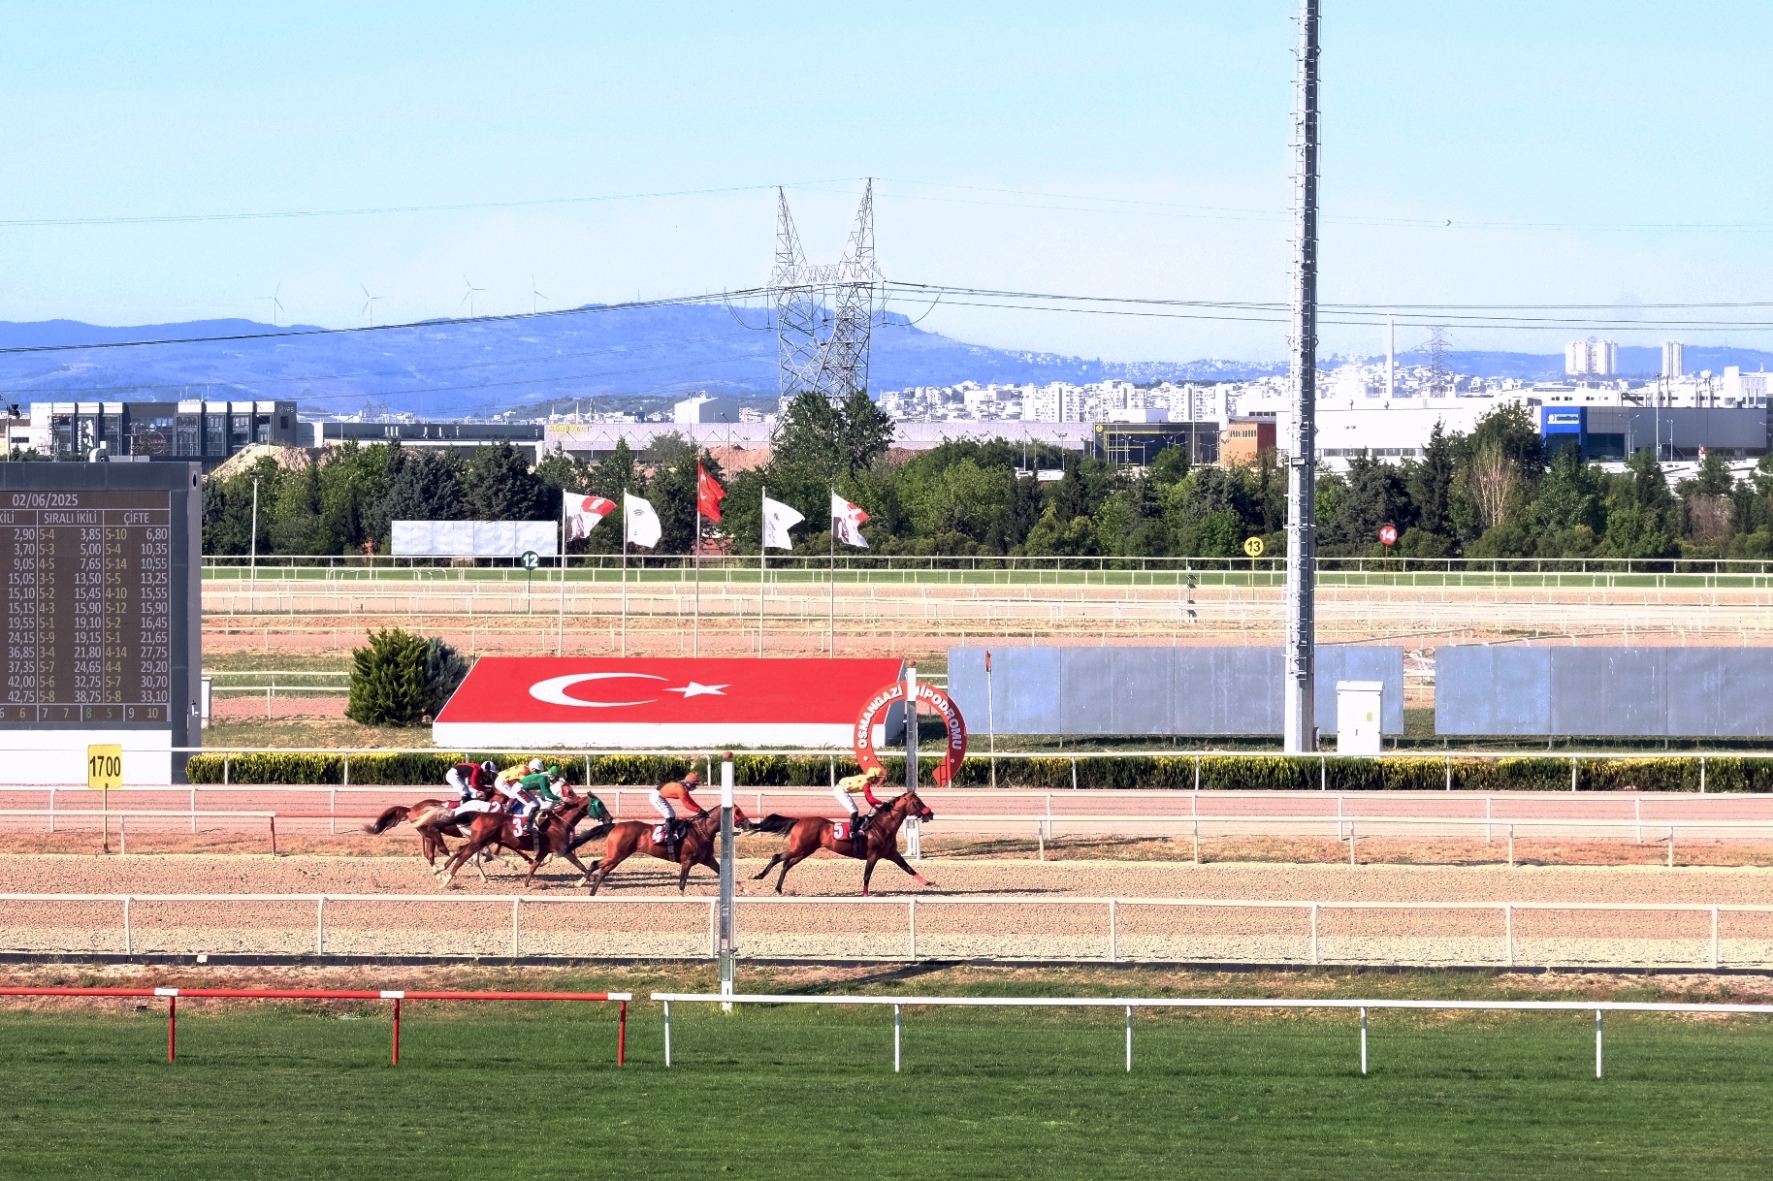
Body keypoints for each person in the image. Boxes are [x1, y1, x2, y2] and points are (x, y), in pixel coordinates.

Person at [648, 771, 705, 857]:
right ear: (689, 783)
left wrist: (700, 810)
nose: (695, 787)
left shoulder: (683, 788)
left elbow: (690, 801)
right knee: (669, 815)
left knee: (672, 814)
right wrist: (700, 811)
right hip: (656, 796)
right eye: (694, 785)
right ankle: (668, 836)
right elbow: (687, 804)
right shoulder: (681, 789)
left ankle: (669, 832)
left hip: (658, 795)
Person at [833, 765, 889, 843]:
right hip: (840, 790)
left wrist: (875, 806)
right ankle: (852, 832)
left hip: (840, 789)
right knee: (854, 810)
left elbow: (869, 799)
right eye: (878, 778)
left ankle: (853, 830)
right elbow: (870, 798)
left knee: (855, 810)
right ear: (873, 777)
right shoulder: (866, 783)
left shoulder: (865, 779)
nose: (879, 780)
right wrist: (882, 803)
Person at [492, 758, 547, 835]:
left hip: (506, 781)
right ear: (533, 768)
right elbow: (526, 785)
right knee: (514, 796)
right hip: (501, 781)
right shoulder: (524, 771)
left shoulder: (526, 768)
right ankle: (504, 815)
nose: (537, 773)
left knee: (518, 796)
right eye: (537, 771)